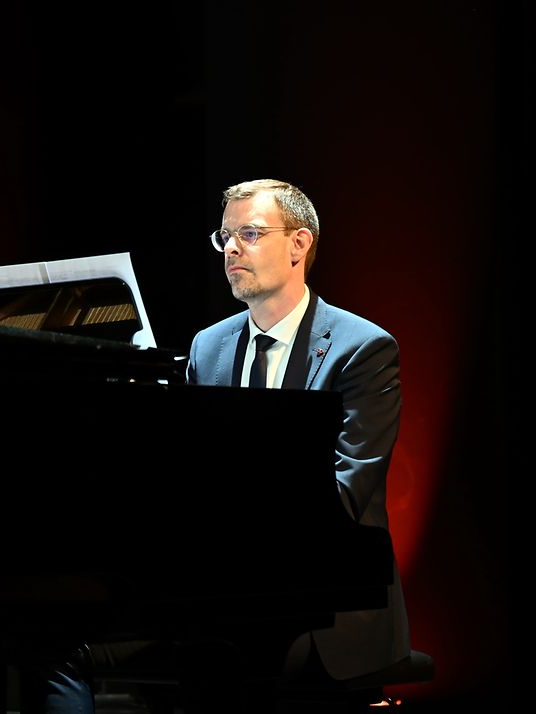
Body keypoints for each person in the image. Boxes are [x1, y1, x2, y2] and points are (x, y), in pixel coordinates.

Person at [33, 178, 411, 712]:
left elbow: (346, 495)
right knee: (56, 648)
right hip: (216, 591)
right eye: (225, 236)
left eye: (249, 234)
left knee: (220, 668)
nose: (231, 248)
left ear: (299, 244)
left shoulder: (362, 348)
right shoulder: (208, 346)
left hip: (325, 604)